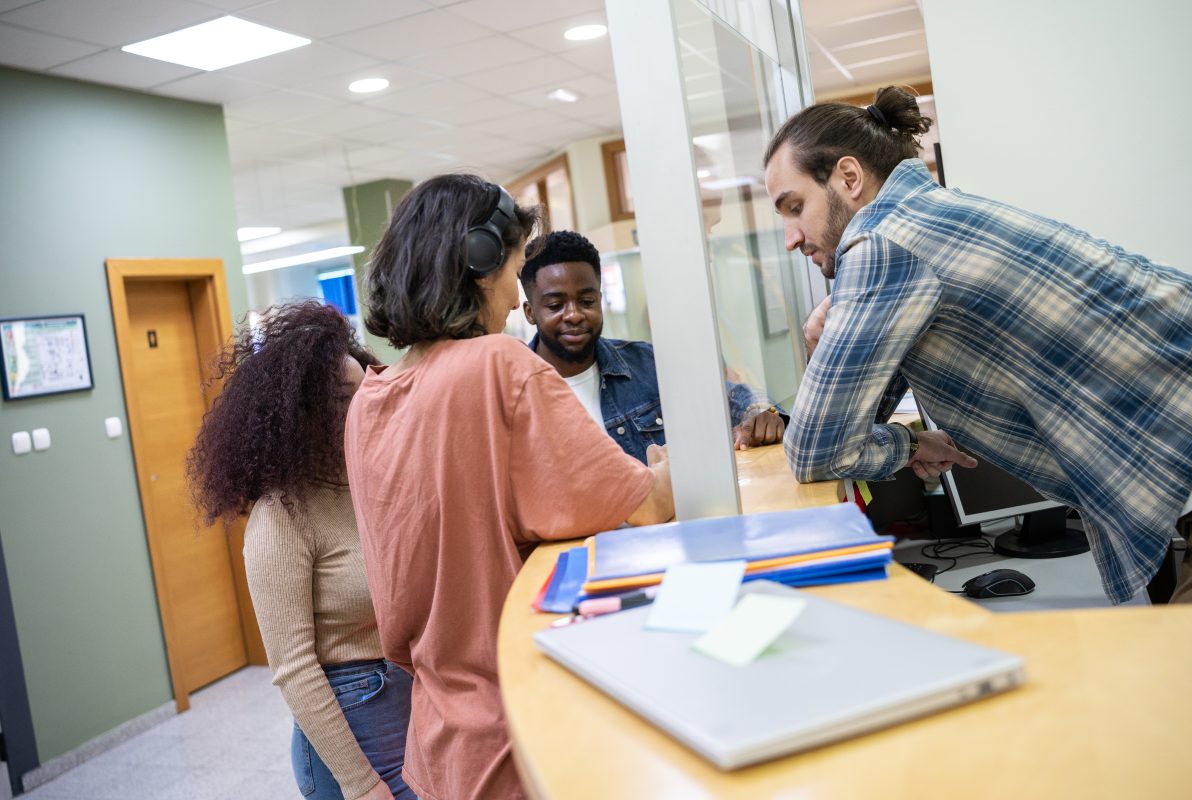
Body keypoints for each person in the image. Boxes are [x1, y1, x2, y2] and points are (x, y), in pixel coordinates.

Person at [762, 85, 1192, 605]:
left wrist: (905, 447)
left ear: (849, 178)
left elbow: (816, 449)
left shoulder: (883, 242)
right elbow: (855, 415)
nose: (790, 237)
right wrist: (830, 343)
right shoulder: (926, 217)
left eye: (795, 207)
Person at [344, 175, 675, 800]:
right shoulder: (499, 365)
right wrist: (664, 469)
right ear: (479, 264)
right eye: (515, 272)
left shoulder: (370, 400)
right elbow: (646, 505)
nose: (510, 305)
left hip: (441, 733)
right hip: (519, 722)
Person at [186, 300, 414, 800]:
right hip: (350, 719)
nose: (357, 412)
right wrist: (359, 785)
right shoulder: (281, 516)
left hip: (403, 694)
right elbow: (294, 669)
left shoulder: (368, 483)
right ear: (296, 412)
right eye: (338, 400)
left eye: (363, 395)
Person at [521, 229, 787, 463]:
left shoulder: (645, 364)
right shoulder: (513, 393)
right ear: (530, 312)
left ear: (600, 300)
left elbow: (731, 397)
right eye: (555, 306)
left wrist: (761, 414)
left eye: (587, 301)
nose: (574, 315)